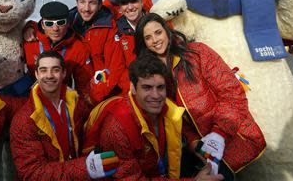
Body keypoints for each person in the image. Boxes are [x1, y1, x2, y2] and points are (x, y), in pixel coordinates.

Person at [133, 13, 266, 179]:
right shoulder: (152, 73)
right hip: (202, 149)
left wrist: (219, 135)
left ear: (167, 31)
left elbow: (232, 93)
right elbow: (176, 117)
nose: (155, 40)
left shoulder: (197, 52)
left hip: (233, 136)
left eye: (158, 32)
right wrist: (195, 144)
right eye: (148, 37)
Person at [83, 55, 224, 180]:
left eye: (160, 87)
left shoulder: (167, 107)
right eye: (147, 87)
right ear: (132, 88)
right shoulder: (116, 129)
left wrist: (203, 150)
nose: (156, 95)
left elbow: (183, 131)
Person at [10, 50, 118, 180]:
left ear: (64, 73)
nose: (49, 75)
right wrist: (87, 167)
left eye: (55, 70)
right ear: (36, 74)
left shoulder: (77, 104)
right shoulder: (24, 120)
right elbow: (32, 173)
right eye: (43, 70)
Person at [70, 0, 129, 104]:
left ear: (100, 5)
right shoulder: (70, 24)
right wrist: (31, 27)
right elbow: (46, 25)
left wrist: (93, 97)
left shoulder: (109, 28)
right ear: (76, 2)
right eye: (82, 2)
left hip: (103, 95)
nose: (86, 8)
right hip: (79, 94)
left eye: (92, 3)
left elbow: (114, 67)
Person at [23, 1, 93, 99]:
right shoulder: (29, 40)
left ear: (68, 23)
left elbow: (84, 86)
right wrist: (28, 26)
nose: (55, 28)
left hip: (61, 100)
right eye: (49, 23)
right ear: (42, 25)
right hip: (29, 97)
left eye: (60, 23)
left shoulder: (78, 48)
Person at [114, 0, 146, 67]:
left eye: (134, 1)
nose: (130, 7)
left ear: (142, 2)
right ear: (120, 8)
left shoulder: (155, 24)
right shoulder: (115, 31)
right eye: (124, 3)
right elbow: (117, 67)